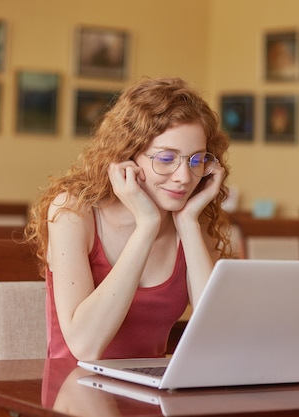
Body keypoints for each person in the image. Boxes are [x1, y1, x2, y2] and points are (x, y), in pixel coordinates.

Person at [25, 77, 232, 361]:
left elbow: (218, 336)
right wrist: (146, 226)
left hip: (150, 395)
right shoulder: (74, 212)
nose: (185, 177)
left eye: (196, 160)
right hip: (76, 393)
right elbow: (85, 346)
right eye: (166, 158)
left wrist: (187, 224)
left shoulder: (191, 217)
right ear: (128, 155)